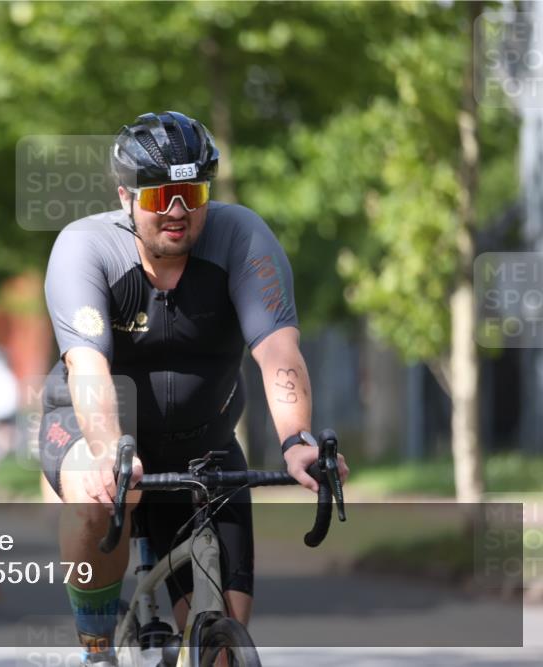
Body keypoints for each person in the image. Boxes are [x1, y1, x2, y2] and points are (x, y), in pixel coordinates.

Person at [38, 111, 350, 665]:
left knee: (221, 644)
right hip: (93, 425)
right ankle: (96, 646)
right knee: (95, 494)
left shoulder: (242, 238)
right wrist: (109, 451)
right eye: (161, 197)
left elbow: (278, 352)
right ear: (126, 196)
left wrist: (297, 440)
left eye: (193, 193)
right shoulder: (85, 248)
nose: (179, 210)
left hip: (203, 441)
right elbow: (87, 368)